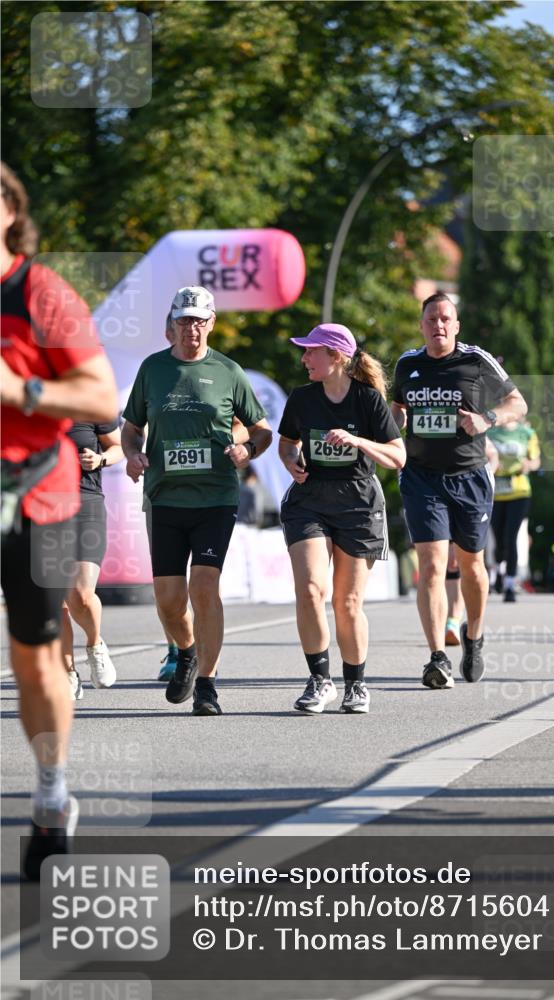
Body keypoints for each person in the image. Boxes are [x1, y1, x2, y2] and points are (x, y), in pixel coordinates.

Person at [1, 162, 118, 878]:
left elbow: (102, 398)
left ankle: (50, 794)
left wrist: (21, 389)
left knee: (35, 657)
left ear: (10, 212)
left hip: (36, 495)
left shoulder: (39, 291)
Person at [121, 286, 272, 715]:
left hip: (215, 497)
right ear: (173, 324)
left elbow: (261, 430)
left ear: (211, 323)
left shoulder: (228, 371)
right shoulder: (153, 369)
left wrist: (248, 450)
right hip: (165, 498)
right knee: (169, 600)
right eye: (184, 320)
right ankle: (186, 650)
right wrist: (133, 455)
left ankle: (207, 683)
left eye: (199, 320)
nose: (191, 328)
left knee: (203, 586)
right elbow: (131, 429)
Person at [391, 292, 527, 688]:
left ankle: (474, 636)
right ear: (422, 325)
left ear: (456, 325)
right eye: (431, 319)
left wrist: (487, 418)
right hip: (421, 477)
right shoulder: (407, 364)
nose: (438, 325)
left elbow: (518, 403)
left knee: (472, 566)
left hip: (469, 476)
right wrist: (394, 423)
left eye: (445, 318)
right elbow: (398, 409)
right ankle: (437, 657)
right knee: (432, 566)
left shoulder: (475, 360)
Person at [278, 323, 405, 715]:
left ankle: (356, 684)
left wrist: (358, 441)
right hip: (310, 501)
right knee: (310, 589)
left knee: (347, 602)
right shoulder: (302, 398)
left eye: (311, 351)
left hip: (358, 504)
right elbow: (287, 443)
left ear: (335, 357)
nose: (304, 358)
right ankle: (320, 680)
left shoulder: (368, 400)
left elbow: (398, 456)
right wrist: (291, 462)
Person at [62, 418, 123, 699]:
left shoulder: (91, 405)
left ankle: (95, 645)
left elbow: (118, 447)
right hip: (41, 506)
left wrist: (100, 459)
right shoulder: (28, 405)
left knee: (81, 593)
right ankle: (67, 672)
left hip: (86, 503)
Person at [445, 438, 499, 646]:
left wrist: (485, 478)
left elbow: (492, 455)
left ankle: (454, 620)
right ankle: (448, 621)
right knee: (442, 563)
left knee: (457, 562)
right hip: (432, 492)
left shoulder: (469, 427)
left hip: (468, 494)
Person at [488, 418, 541, 602]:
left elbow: (536, 461)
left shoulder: (526, 433)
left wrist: (529, 465)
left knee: (511, 537)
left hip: (519, 492)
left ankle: (510, 584)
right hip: (495, 494)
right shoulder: (490, 432)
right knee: (498, 539)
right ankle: (499, 570)